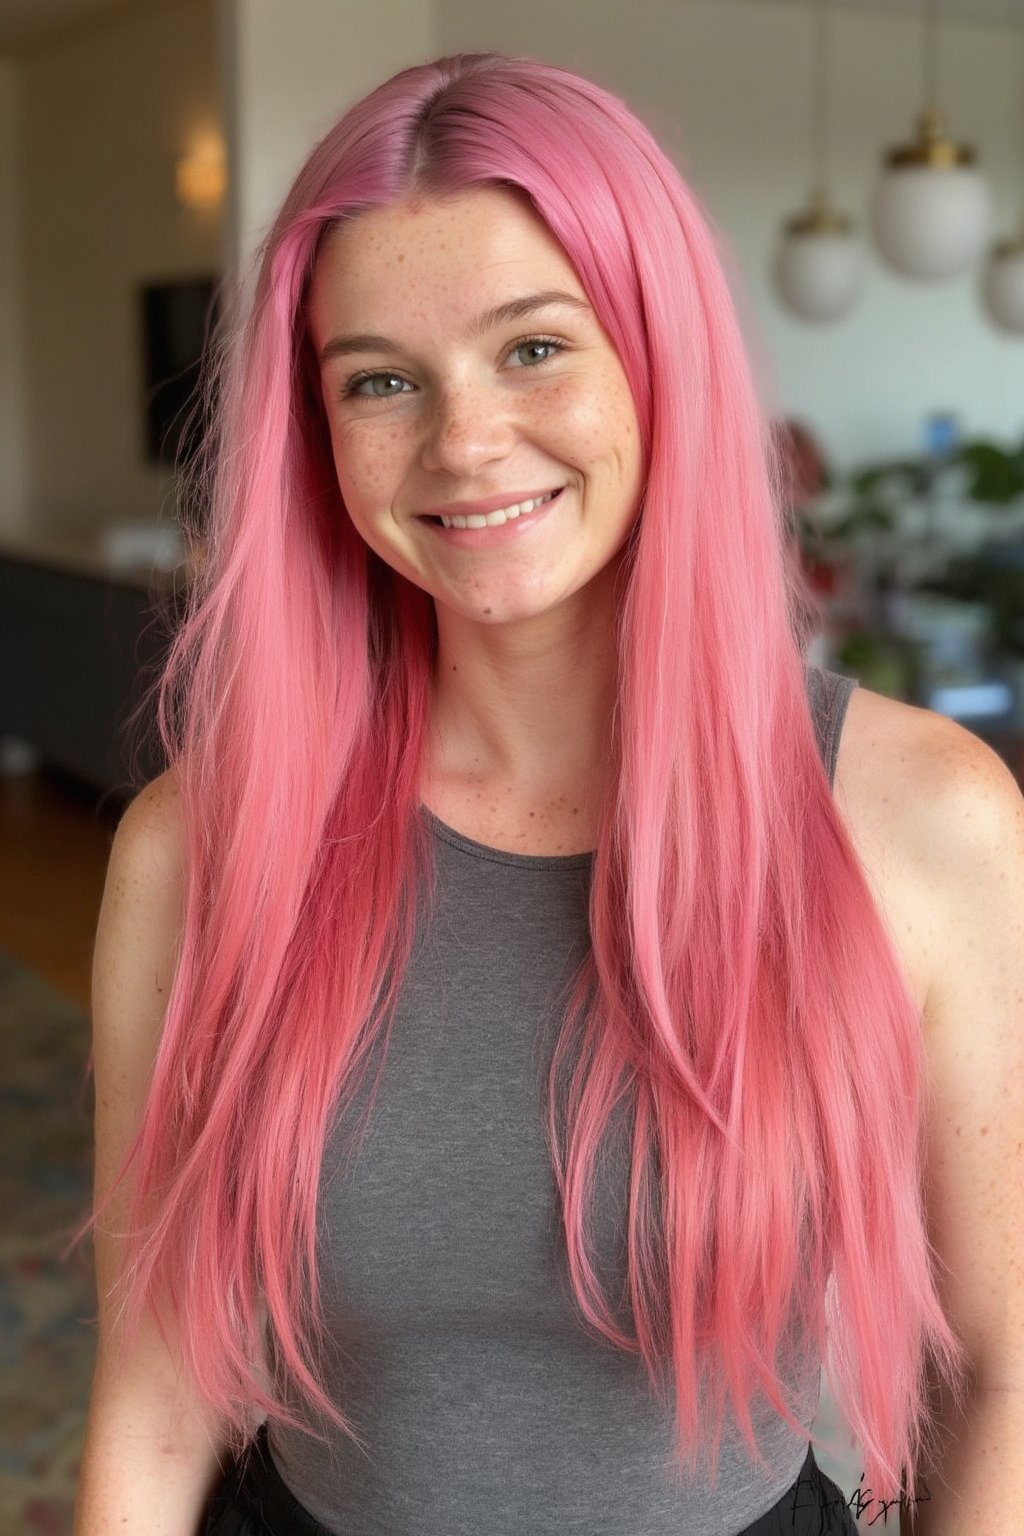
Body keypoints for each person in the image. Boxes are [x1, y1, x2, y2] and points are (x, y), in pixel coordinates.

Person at [71, 52, 1022, 1536]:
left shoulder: (922, 820)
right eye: (380, 380)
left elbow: (998, 1382)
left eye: (534, 349)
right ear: (318, 442)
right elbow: (155, 1386)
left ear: (658, 355)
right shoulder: (196, 847)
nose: (463, 440)